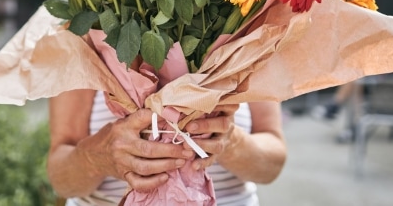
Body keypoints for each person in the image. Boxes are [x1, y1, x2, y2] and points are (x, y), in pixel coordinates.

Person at [47, 88, 287, 205]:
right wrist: (96, 158)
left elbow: (273, 165)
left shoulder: (251, 22)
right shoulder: (84, 25)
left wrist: (230, 142)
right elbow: (60, 177)